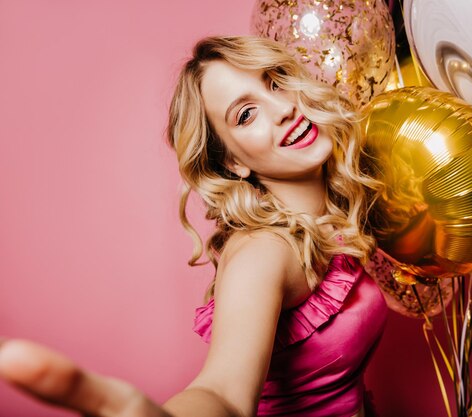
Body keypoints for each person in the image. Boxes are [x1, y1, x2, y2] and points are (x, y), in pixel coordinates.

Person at [0, 36, 387, 417]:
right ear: (234, 163)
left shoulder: (332, 213)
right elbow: (223, 392)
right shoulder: (264, 252)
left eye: (275, 82)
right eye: (245, 114)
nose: (283, 107)